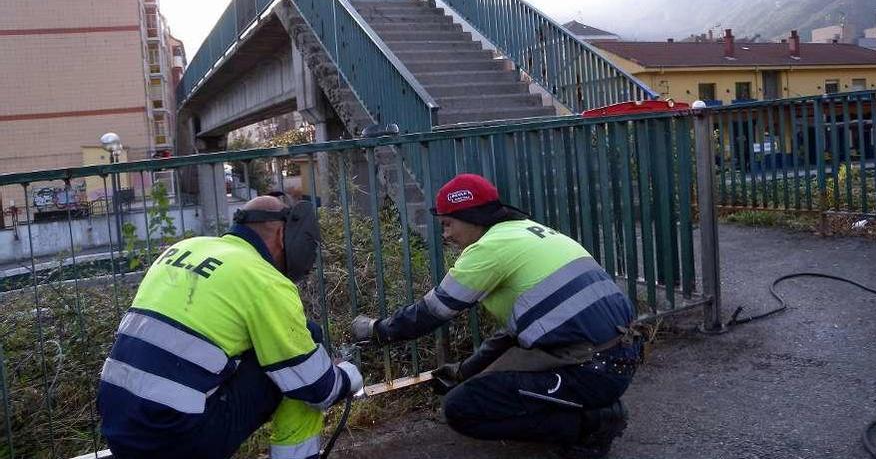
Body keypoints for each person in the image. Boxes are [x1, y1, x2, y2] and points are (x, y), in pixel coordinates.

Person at [352, 174, 640, 458]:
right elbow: (513, 335)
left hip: (592, 371)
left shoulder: (487, 248)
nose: (446, 234)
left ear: (473, 216)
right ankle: (587, 410)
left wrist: (378, 329)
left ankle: (593, 422)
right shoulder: (529, 230)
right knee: (482, 386)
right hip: (621, 355)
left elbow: (432, 312)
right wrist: (465, 370)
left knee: (461, 408)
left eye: (448, 224)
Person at [98, 193, 363, 459]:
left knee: (276, 353)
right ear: (283, 235)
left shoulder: (184, 248)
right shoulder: (264, 278)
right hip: (176, 438)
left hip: (119, 428)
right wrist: (348, 376)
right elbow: (316, 388)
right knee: (298, 362)